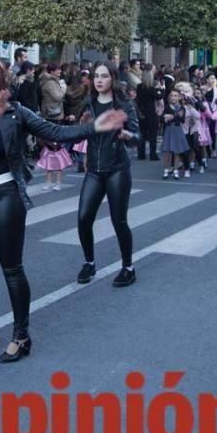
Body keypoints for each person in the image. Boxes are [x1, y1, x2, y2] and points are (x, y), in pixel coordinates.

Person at [0, 53, 127, 362]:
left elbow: (55, 132)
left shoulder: (17, 113)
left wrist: (94, 127)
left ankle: (21, 336)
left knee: (11, 269)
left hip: (6, 195)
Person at [74, 62, 139, 287]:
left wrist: (127, 135)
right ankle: (89, 262)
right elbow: (78, 132)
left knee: (118, 220)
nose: (99, 80)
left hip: (117, 169)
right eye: (96, 76)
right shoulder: (88, 104)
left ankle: (128, 268)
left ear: (113, 78)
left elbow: (137, 135)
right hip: (93, 170)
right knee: (83, 218)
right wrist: (79, 126)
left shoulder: (123, 105)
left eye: (104, 76)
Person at [135, 69, 162, 161]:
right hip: (151, 113)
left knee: (142, 134)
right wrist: (161, 88)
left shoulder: (139, 87)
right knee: (152, 135)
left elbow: (137, 99)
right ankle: (152, 154)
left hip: (141, 112)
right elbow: (159, 96)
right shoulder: (151, 89)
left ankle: (141, 154)